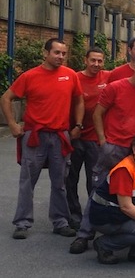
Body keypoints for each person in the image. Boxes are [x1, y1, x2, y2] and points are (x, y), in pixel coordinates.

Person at [70, 53, 135, 253]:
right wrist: (103, 141)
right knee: (98, 192)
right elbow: (98, 114)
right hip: (112, 148)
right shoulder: (115, 87)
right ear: (133, 67)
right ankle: (84, 235)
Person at [2, 38, 84, 239]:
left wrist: (78, 125)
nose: (61, 57)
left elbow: (79, 100)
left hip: (60, 135)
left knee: (60, 182)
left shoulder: (70, 75)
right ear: (45, 53)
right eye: (56, 53)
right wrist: (12, 124)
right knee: (28, 181)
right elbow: (6, 98)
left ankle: (60, 222)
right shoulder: (30, 76)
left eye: (64, 53)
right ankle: (22, 223)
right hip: (35, 135)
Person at [88, 133, 135, 264]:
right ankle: (104, 244)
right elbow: (126, 207)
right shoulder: (124, 170)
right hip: (107, 216)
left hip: (126, 211)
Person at [66, 47, 110, 230]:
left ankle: (93, 215)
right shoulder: (74, 78)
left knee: (95, 180)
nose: (96, 64)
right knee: (70, 178)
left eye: (100, 61)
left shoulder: (108, 77)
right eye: (93, 60)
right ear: (85, 60)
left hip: (95, 138)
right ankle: (73, 215)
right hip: (75, 136)